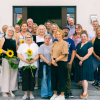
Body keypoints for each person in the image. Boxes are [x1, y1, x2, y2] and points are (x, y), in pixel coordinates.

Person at [54, 26, 76, 98]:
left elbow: (73, 51)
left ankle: (68, 92)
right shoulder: (56, 40)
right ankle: (60, 91)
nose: (65, 31)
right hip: (58, 62)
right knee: (59, 77)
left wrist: (71, 61)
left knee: (67, 77)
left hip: (67, 62)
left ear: (68, 32)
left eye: (67, 30)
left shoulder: (71, 41)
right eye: (64, 30)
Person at [17, 32, 39, 99]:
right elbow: (19, 54)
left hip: (33, 64)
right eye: (26, 37)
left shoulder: (35, 45)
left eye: (29, 37)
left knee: (32, 79)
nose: (28, 38)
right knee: (25, 79)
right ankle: (25, 94)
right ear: (25, 38)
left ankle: (31, 94)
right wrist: (25, 60)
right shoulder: (22, 45)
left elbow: (38, 54)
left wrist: (33, 60)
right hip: (24, 64)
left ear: (31, 38)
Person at [50, 29, 69, 100]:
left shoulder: (65, 43)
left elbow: (63, 54)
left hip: (61, 62)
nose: (58, 35)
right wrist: (52, 60)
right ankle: (55, 94)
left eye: (59, 34)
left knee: (61, 78)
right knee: (54, 78)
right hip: (54, 62)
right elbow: (51, 52)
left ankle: (62, 95)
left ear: (62, 35)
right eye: (56, 34)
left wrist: (55, 60)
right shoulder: (55, 43)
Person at [0, 26, 18, 97]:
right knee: (6, 75)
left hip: (14, 59)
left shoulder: (15, 39)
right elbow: (0, 49)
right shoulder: (3, 38)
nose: (11, 32)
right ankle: (4, 91)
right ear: (7, 31)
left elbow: (16, 49)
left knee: (13, 75)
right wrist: (7, 52)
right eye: (9, 30)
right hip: (6, 58)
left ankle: (11, 90)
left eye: (12, 31)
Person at [75, 30, 93, 98]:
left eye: (84, 36)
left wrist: (82, 60)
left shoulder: (89, 44)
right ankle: (84, 90)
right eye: (82, 37)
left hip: (86, 62)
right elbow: (76, 53)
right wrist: (79, 58)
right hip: (79, 62)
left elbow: (89, 54)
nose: (83, 38)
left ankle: (85, 92)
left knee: (84, 77)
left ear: (87, 37)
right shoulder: (79, 44)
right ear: (80, 37)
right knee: (82, 77)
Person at [39, 34, 52, 99]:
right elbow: (41, 55)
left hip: (51, 64)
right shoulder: (42, 46)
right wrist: (47, 62)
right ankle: (44, 94)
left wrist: (51, 62)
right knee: (44, 79)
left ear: (50, 39)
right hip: (44, 64)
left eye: (48, 38)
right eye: (46, 38)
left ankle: (50, 93)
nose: (47, 40)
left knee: (50, 79)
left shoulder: (52, 46)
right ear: (44, 39)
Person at [34, 25, 48, 90]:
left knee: (44, 71)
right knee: (37, 69)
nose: (41, 30)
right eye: (40, 29)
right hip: (37, 56)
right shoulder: (35, 37)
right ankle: (36, 83)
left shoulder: (47, 37)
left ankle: (43, 83)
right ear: (38, 30)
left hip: (45, 57)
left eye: (42, 29)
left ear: (45, 30)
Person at [16, 21, 28, 89]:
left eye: (25, 26)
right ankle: (20, 82)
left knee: (26, 68)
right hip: (20, 54)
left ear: (27, 27)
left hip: (27, 54)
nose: (24, 27)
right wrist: (19, 51)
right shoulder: (18, 34)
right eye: (23, 26)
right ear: (21, 27)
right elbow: (16, 44)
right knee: (20, 68)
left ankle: (25, 81)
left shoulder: (28, 34)